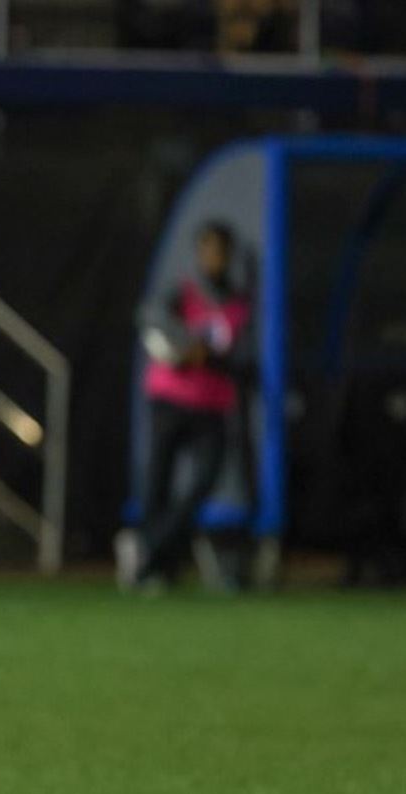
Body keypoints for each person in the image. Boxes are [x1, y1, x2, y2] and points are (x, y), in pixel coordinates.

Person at [129, 220, 253, 592]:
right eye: (206, 250)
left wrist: (213, 358)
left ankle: (150, 554)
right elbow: (150, 319)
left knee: (205, 481)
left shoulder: (237, 303)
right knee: (157, 484)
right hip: (170, 399)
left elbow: (239, 353)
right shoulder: (182, 292)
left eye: (219, 251)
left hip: (212, 405)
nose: (212, 258)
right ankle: (157, 570)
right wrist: (186, 346)